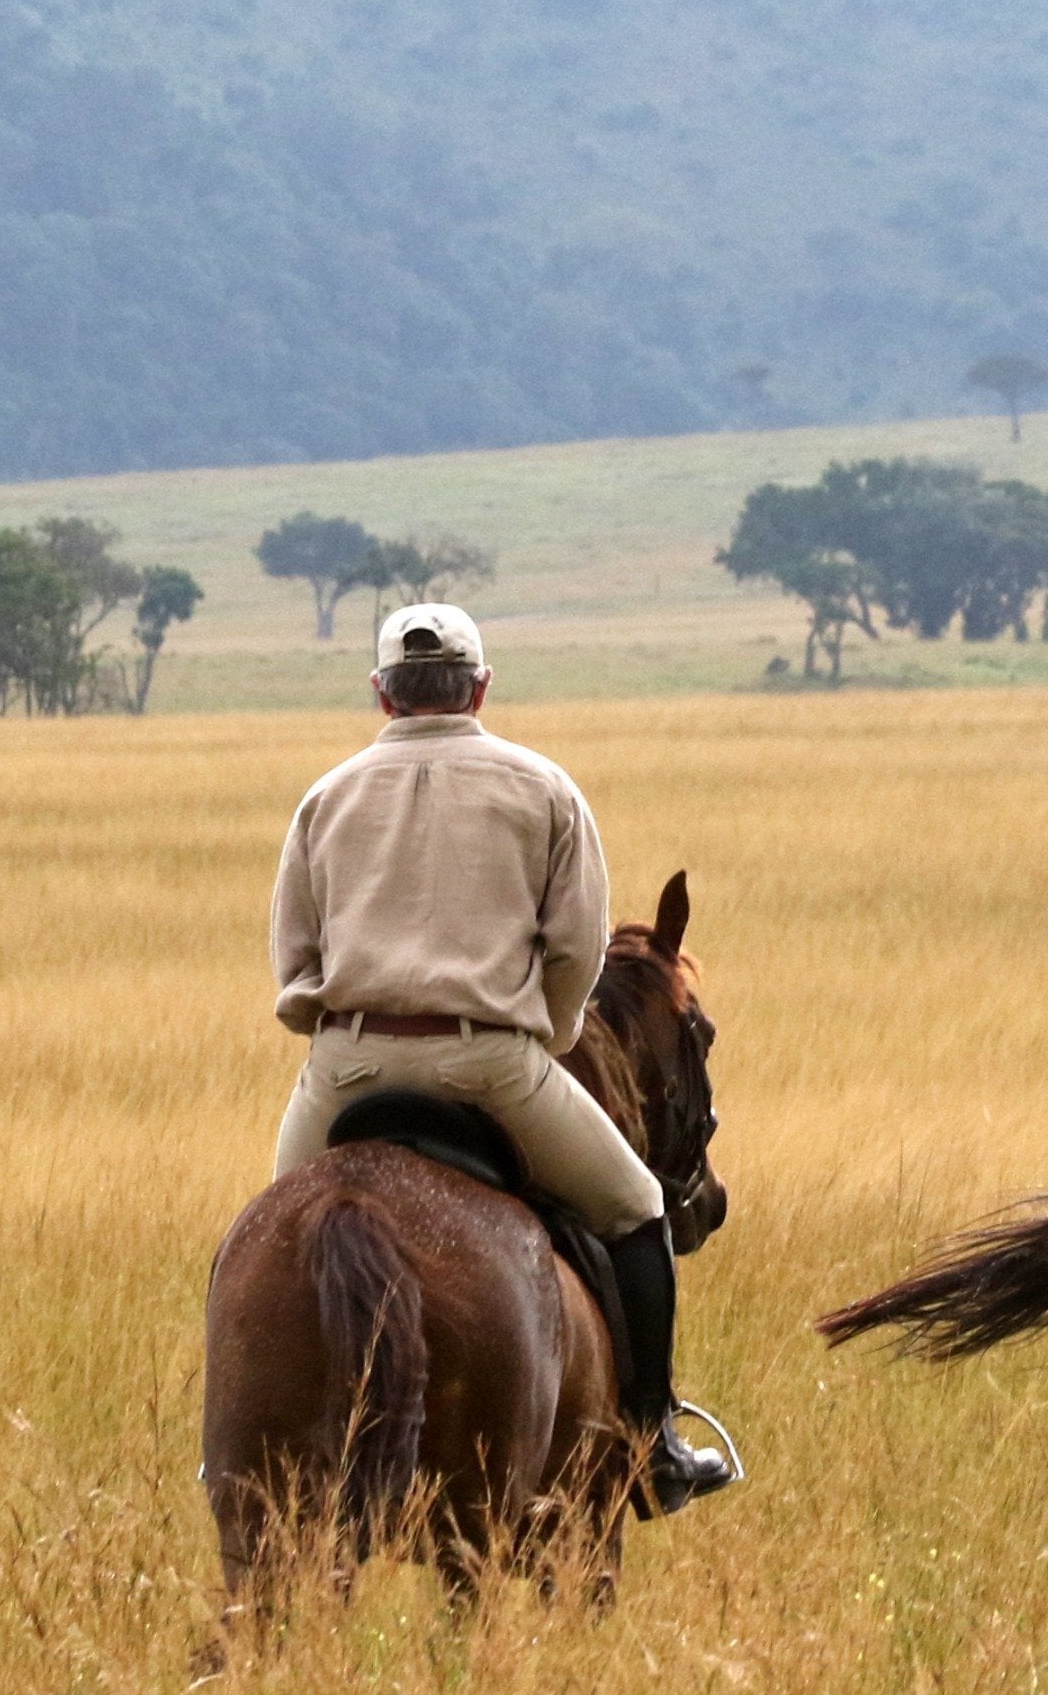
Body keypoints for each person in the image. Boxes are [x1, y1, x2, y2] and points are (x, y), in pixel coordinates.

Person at [266, 601, 737, 1516]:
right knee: (638, 1210)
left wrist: (346, 1028)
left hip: (347, 1069)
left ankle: (243, 1449)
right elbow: (576, 954)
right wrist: (541, 1037)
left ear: (381, 694)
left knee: (269, 1235)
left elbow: (296, 963)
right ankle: (654, 1439)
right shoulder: (546, 789)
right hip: (492, 1067)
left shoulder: (324, 798)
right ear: (480, 686)